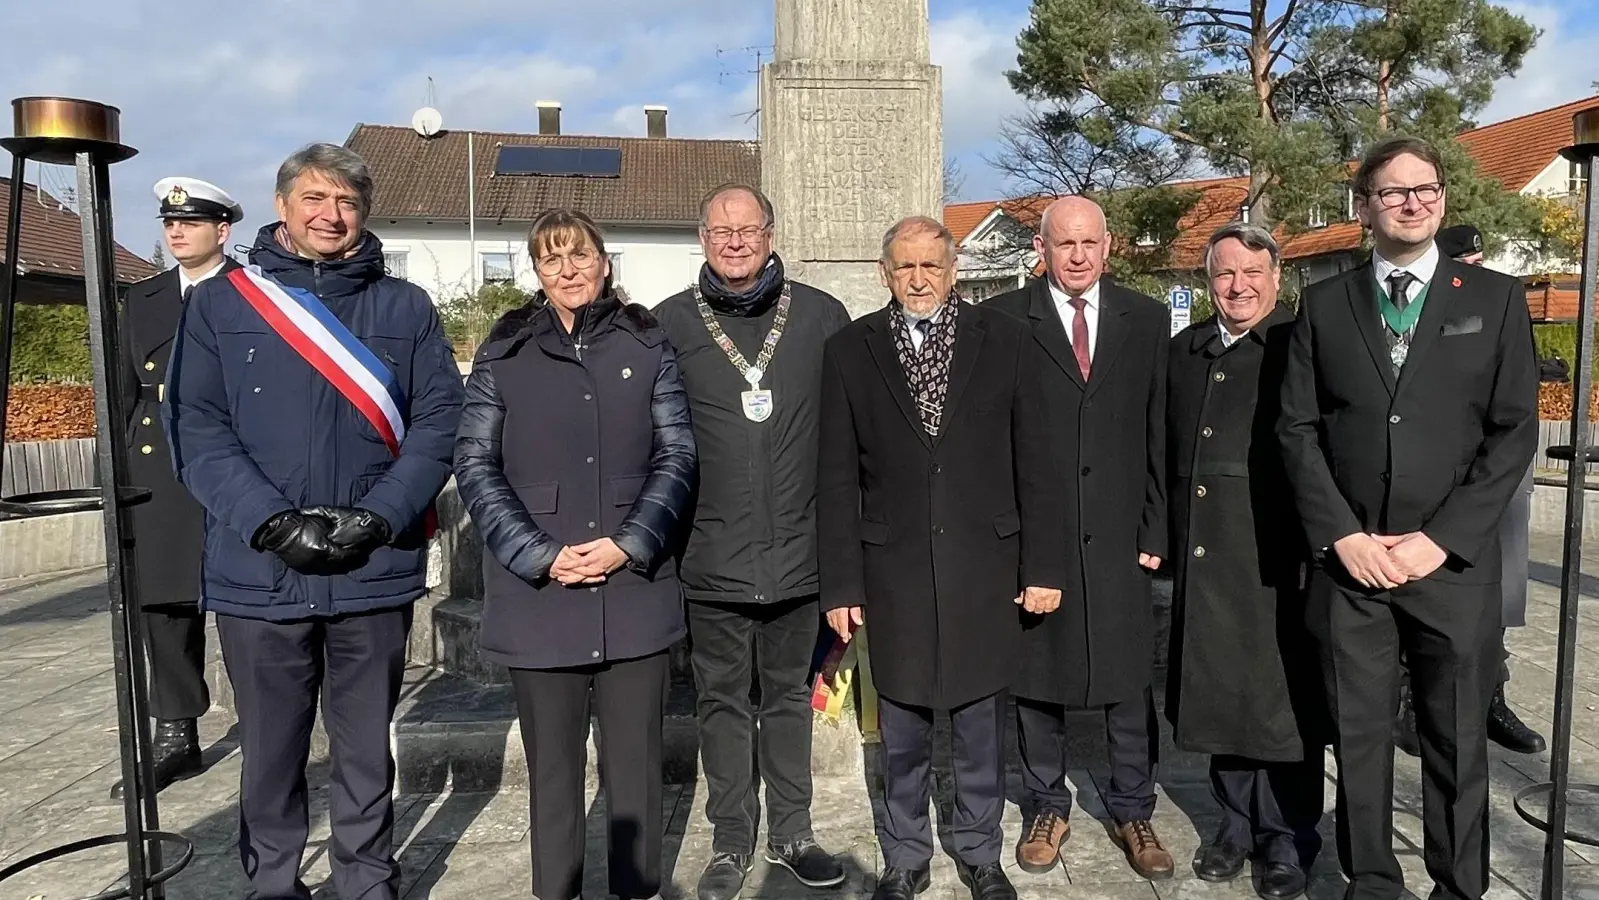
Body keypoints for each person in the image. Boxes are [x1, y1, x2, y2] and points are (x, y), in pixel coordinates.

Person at [164, 143, 465, 900]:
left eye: (348, 203)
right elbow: (196, 430)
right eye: (315, 200)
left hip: (371, 568)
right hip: (258, 572)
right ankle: (274, 883)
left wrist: (380, 516)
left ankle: (365, 881)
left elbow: (438, 422)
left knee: (366, 750)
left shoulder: (406, 308)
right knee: (270, 750)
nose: (332, 216)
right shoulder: (222, 305)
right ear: (282, 206)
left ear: (364, 212)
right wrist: (271, 524)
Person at [1277, 136, 1538, 900]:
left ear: (1443, 197)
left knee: (1456, 739)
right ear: (1364, 208)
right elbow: (1294, 428)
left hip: (1449, 570)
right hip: (1351, 567)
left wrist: (1440, 540)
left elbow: (1513, 430)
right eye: (1392, 192)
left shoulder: (1493, 300)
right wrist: (1342, 536)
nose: (1412, 202)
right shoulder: (1322, 304)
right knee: (1356, 738)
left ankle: (1458, 886)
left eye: (1424, 188)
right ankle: (1371, 880)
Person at [818, 216, 1065, 900]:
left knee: (978, 723)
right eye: (905, 268)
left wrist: (1042, 568)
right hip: (890, 568)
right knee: (899, 728)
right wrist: (840, 582)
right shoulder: (849, 350)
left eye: (931, 266)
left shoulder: (1007, 343)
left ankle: (980, 852)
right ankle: (903, 859)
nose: (919, 279)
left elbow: (1036, 465)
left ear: (953, 270)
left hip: (984, 565)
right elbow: (835, 476)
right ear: (884, 273)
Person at [454, 208, 696, 900]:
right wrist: (536, 554)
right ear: (535, 271)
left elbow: (677, 452)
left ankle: (635, 889)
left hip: (632, 589)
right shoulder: (504, 352)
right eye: (550, 258)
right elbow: (473, 461)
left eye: (579, 255)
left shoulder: (648, 345)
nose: (567, 270)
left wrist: (629, 544)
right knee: (553, 776)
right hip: (539, 596)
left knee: (635, 774)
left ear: (603, 262)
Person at [653, 184, 850, 900]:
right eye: (719, 230)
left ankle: (792, 834)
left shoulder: (822, 316)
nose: (734, 242)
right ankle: (731, 842)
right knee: (722, 704)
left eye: (747, 229)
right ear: (701, 237)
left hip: (800, 554)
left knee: (791, 701)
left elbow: (851, 439)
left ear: (770, 232)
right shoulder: (668, 324)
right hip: (713, 556)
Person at [985, 196, 1173, 881]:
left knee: (1127, 679)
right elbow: (993, 441)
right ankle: (1044, 803)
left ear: (1108, 245)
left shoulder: (1146, 320)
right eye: (1063, 243)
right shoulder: (1002, 321)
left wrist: (1157, 522)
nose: (1076, 256)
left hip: (1123, 534)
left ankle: (1131, 805)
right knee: (1037, 678)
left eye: (1088, 243)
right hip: (1040, 537)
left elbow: (1160, 428)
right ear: (1040, 247)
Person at [1165, 223, 1328, 900]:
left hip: (1276, 556)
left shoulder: (1300, 345)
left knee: (1282, 704)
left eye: (1250, 274)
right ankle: (1233, 826)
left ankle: (1287, 838)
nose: (1237, 286)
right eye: (1223, 274)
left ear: (1275, 278)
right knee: (1222, 698)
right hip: (1206, 556)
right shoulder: (1186, 349)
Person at [109, 176, 245, 801]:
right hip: (158, 469)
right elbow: (123, 393)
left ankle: (270, 721)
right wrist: (116, 475)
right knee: (164, 605)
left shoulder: (253, 292)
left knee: (247, 603)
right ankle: (175, 732)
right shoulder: (142, 299)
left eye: (190, 223)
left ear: (222, 230)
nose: (176, 231)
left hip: (234, 465)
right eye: (169, 222)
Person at [1388, 223, 1546, 756]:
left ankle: (1491, 699)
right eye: (1466, 263)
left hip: (1496, 477)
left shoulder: (1500, 300)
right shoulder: (1409, 306)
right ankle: (1413, 702)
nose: (1475, 272)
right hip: (1434, 480)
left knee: (1498, 598)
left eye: (1481, 262)